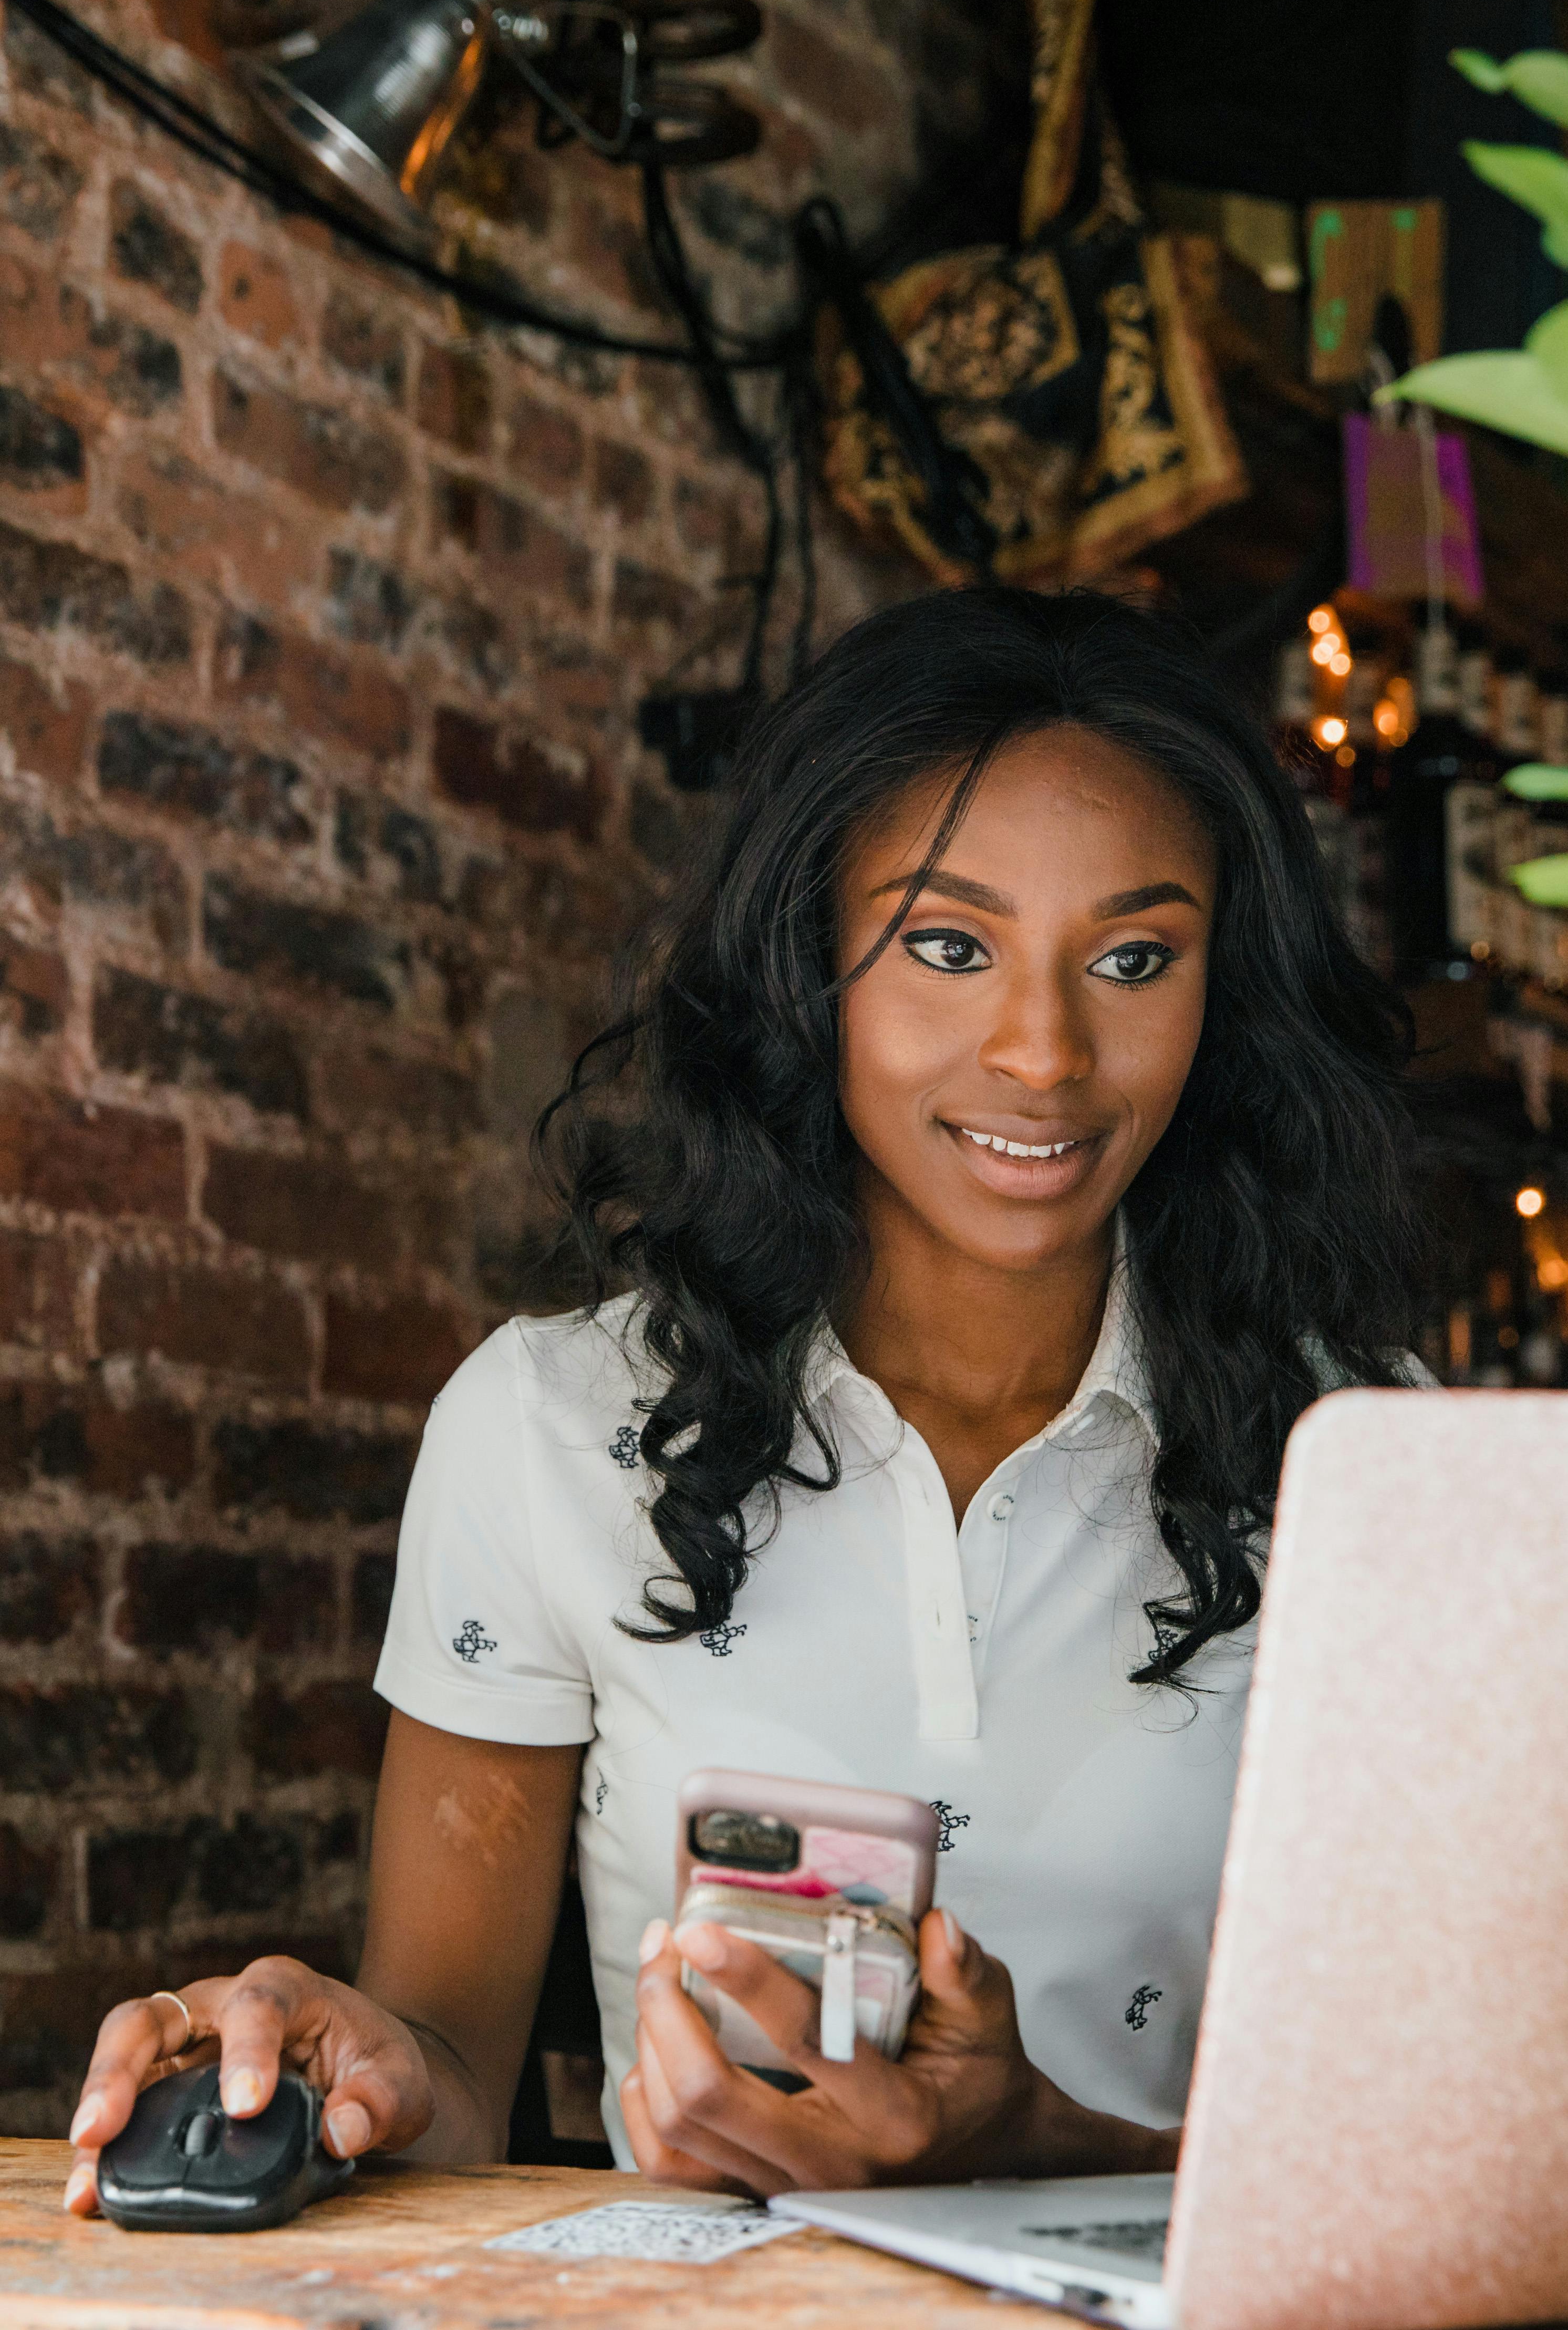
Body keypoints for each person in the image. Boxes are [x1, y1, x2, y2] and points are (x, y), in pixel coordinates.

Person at [64, 588, 1427, 2212]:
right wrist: (353, 2067)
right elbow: (451, 2069)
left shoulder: (1370, 1465)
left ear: (1221, 996)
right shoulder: (547, 1428)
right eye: (944, 945)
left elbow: (1445, 2149)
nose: (1046, 1052)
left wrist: (1051, 2142)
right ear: (808, 968)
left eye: (1134, 958)